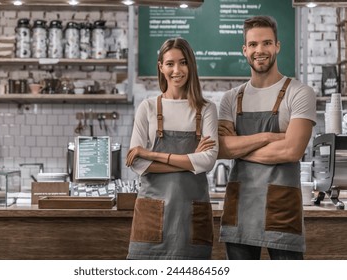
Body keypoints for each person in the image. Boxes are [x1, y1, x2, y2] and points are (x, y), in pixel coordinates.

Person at [217, 15, 316, 260]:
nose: (259, 50)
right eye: (253, 44)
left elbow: (291, 151)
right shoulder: (231, 98)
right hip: (240, 209)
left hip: (282, 210)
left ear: (277, 46)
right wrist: (271, 137)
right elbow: (221, 149)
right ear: (244, 50)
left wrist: (240, 147)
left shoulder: (300, 92)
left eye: (266, 43)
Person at [125, 37, 219, 259]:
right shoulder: (147, 107)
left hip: (191, 217)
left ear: (191, 65)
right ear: (161, 67)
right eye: (170, 63)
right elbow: (136, 163)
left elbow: (208, 161)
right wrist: (190, 161)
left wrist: (152, 154)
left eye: (183, 62)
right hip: (151, 215)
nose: (177, 70)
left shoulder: (206, 109)